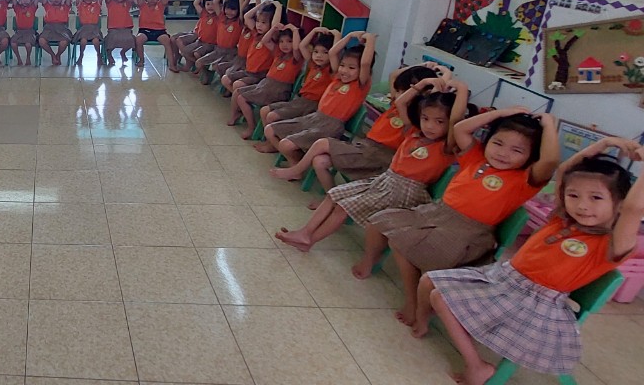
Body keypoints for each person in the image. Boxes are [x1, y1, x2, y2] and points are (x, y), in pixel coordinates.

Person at [414, 138, 642, 385]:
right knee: (428, 281)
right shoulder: (563, 220)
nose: (582, 205)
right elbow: (564, 171)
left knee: (440, 297)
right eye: (573, 195)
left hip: (533, 303)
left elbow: (634, 208)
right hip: (504, 279)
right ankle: (422, 321)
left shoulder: (611, 244)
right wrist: (604, 143)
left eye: (596, 198)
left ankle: (476, 366)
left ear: (619, 204)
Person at [371, 106, 560, 328]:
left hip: (467, 235)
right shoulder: (476, 157)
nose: (503, 153)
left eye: (516, 150)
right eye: (498, 143)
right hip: (435, 215)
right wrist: (498, 114)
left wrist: (549, 124)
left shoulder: (525, 179)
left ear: (531, 157)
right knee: (385, 224)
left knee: (402, 243)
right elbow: (460, 128)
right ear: (488, 141)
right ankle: (409, 291)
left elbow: (550, 161)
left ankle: (415, 303)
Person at [275, 78, 467, 278]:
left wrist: (461, 88)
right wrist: (424, 83)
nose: (430, 125)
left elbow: (456, 120)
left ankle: (310, 240)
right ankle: (305, 233)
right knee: (334, 194)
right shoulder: (413, 131)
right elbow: (401, 102)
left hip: (406, 191)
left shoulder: (446, 146)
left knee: (344, 206)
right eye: (425, 118)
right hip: (385, 180)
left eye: (439, 122)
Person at [268, 64, 440, 192]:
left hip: (379, 157)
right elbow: (394, 75)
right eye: (401, 91)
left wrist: (432, 82)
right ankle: (332, 197)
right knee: (319, 162)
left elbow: (412, 100)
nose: (400, 95)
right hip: (364, 148)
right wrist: (423, 68)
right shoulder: (396, 105)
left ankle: (296, 170)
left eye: (409, 91)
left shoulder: (414, 118)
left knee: (322, 143)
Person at [256, 31, 377, 164]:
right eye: (342, 65)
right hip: (315, 117)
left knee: (286, 144)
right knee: (270, 130)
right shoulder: (337, 78)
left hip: (330, 124)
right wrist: (349, 36)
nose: (344, 70)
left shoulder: (360, 84)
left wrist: (370, 39)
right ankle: (295, 157)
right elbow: (333, 52)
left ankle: (295, 164)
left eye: (351, 68)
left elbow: (365, 63)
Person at [232, 22, 301, 134]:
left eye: (289, 41)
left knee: (241, 98)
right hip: (265, 85)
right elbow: (265, 41)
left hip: (278, 90)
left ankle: (251, 127)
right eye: (281, 41)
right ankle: (244, 120)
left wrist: (295, 30)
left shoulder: (296, 58)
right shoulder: (278, 54)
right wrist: (273, 29)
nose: (285, 45)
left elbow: (297, 47)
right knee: (238, 94)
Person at [258, 27, 334, 129]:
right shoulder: (313, 65)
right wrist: (314, 30)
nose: (319, 56)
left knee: (271, 116)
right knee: (264, 111)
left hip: (311, 105)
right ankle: (268, 137)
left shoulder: (331, 70)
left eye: (325, 52)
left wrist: (337, 36)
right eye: (316, 52)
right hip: (300, 100)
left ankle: (271, 137)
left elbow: (334, 53)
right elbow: (302, 46)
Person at [220, 0, 281, 92]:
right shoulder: (256, 34)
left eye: (263, 22)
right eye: (257, 21)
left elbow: (275, 25)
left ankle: (240, 96)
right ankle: (239, 96)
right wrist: (261, 5)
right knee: (225, 79)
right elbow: (247, 17)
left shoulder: (271, 38)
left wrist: (278, 7)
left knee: (237, 85)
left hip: (259, 74)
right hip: (248, 70)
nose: (259, 25)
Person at [135, 0, 175, 69]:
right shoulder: (143, 5)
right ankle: (141, 60)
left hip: (159, 31)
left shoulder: (160, 5)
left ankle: (172, 64)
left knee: (167, 41)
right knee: (138, 39)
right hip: (144, 30)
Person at [37, 0, 73, 66]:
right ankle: (53, 55)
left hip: (62, 29)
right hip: (48, 29)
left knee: (63, 43)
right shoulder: (47, 5)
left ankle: (58, 55)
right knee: (41, 41)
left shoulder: (65, 6)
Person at [103, 0, 137, 66]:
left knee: (131, 40)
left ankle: (123, 52)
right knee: (112, 40)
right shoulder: (110, 2)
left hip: (126, 29)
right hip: (113, 29)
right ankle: (109, 54)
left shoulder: (127, 2)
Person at [73, 0, 106, 65]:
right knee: (83, 41)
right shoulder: (80, 4)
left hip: (94, 29)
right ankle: (81, 56)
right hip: (83, 29)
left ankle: (99, 56)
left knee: (96, 41)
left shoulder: (96, 4)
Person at [12, 0, 41, 67]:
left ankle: (28, 58)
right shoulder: (17, 7)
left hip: (30, 32)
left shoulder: (32, 7)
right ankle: (19, 59)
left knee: (28, 45)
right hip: (19, 32)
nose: (25, 0)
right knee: (13, 43)